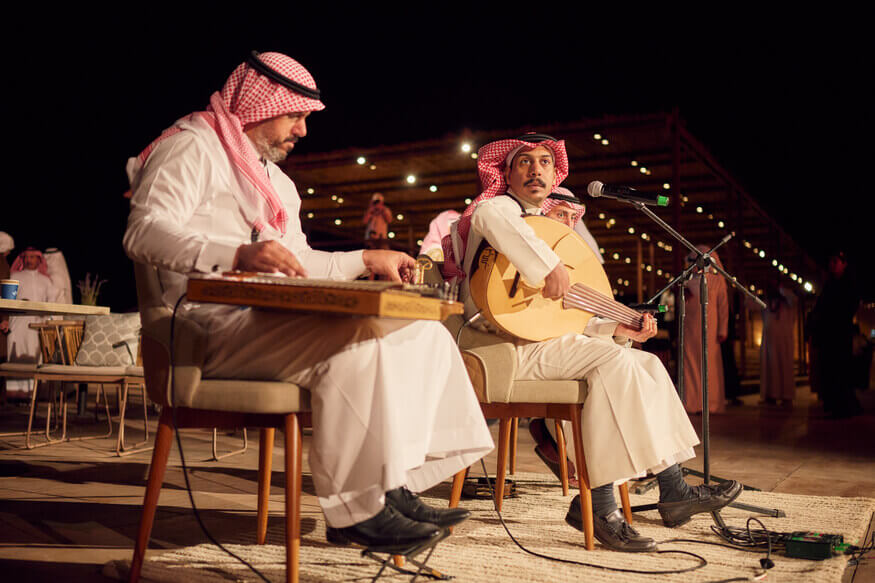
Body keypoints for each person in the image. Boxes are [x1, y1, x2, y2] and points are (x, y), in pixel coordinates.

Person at [123, 51, 493, 549]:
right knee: (357, 339)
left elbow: (296, 261)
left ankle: (391, 485)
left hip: (265, 320)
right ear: (257, 105)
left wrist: (367, 256)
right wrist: (236, 254)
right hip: (201, 326)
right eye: (294, 116)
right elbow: (143, 234)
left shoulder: (276, 182)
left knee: (422, 333)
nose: (302, 130)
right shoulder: (192, 147)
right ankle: (356, 511)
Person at [443, 134, 741, 553]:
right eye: (524, 162)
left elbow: (561, 317)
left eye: (545, 162)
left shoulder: (544, 232)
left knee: (646, 364)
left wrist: (618, 328)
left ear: (555, 175)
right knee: (614, 365)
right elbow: (497, 222)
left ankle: (673, 485)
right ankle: (601, 505)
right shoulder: (496, 211)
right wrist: (549, 267)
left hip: (539, 343)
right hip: (498, 350)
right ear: (505, 173)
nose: (535, 170)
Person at [808, 250, 862, 418]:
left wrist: (834, 318)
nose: (832, 265)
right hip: (828, 337)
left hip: (840, 335)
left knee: (841, 371)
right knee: (830, 371)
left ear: (844, 264)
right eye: (831, 262)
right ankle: (834, 404)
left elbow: (849, 307)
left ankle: (843, 406)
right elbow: (820, 307)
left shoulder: (848, 284)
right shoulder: (829, 284)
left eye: (836, 262)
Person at [2, 248, 57, 400]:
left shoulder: (46, 280)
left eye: (32, 257)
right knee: (16, 355)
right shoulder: (14, 276)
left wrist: (49, 322)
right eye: (26, 257)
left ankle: (31, 394)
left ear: (39, 259)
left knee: (33, 355)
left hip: (37, 324)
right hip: (17, 323)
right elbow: (6, 300)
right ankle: (14, 393)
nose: (29, 260)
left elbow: (52, 303)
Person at [682, 246, 729, 414]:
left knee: (709, 365)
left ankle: (710, 404)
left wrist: (723, 329)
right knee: (690, 364)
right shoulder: (686, 280)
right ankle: (692, 403)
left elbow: (723, 305)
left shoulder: (717, 280)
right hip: (690, 328)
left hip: (710, 328)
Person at [758, 283, 797, 405]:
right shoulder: (766, 302)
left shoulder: (787, 302)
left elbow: (793, 300)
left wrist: (782, 290)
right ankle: (771, 395)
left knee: (784, 367)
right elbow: (749, 303)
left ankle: (786, 395)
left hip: (784, 341)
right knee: (770, 368)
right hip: (769, 342)